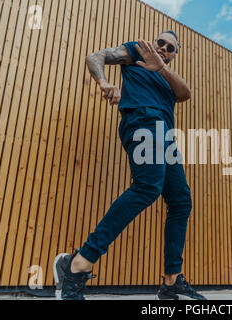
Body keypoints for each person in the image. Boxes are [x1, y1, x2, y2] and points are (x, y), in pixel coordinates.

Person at [53, 31, 206, 300]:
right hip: (144, 124)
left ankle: (171, 282)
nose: (163, 49)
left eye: (170, 48)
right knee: (148, 187)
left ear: (173, 55)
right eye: (161, 43)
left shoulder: (166, 75)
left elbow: (185, 94)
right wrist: (103, 82)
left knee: (181, 200)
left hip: (165, 136)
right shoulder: (136, 51)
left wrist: (162, 69)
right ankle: (77, 263)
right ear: (152, 42)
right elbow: (95, 56)